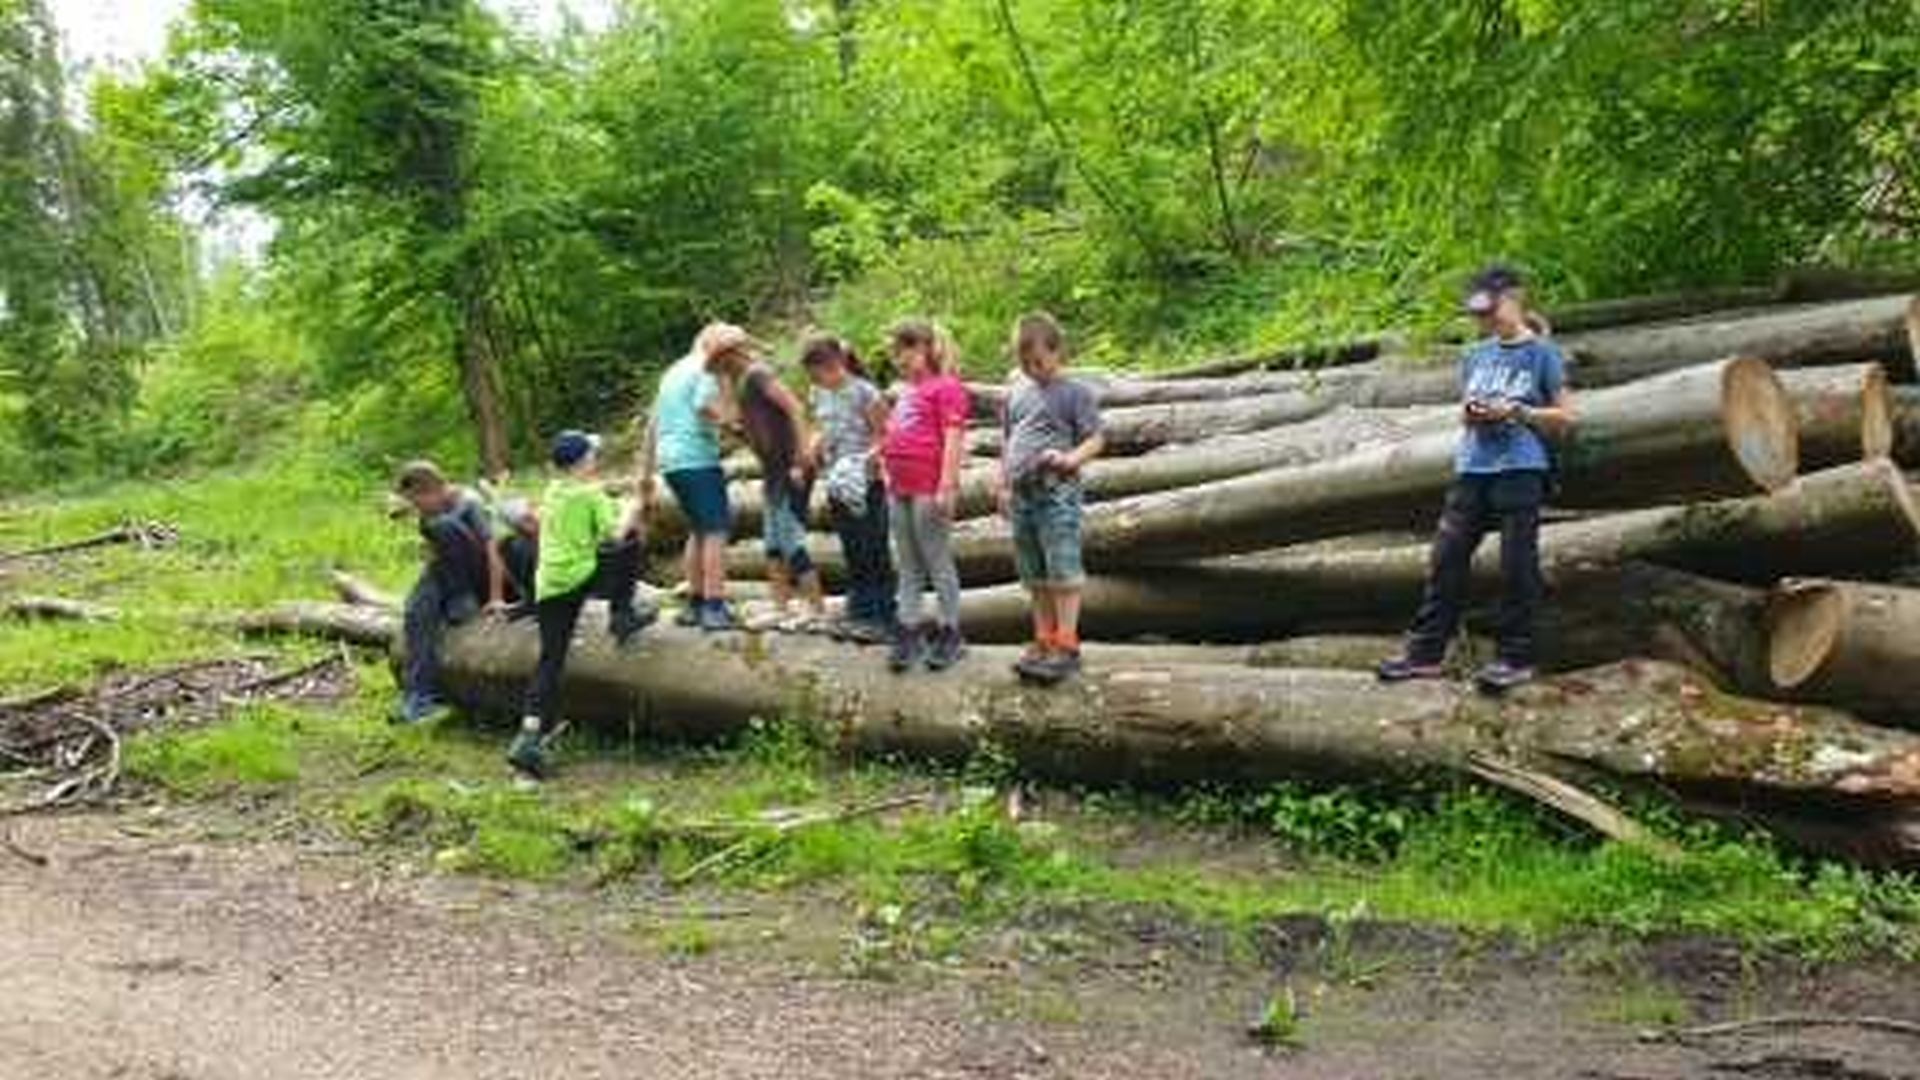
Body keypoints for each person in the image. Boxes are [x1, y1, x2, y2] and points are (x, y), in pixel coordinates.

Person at [1377, 265, 1575, 694]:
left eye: (1490, 311)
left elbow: (1566, 417)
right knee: (1446, 558)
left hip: (1520, 469)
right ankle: (1425, 653)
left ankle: (1517, 657)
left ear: (1514, 300)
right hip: (1472, 467)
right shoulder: (1475, 355)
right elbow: (1465, 408)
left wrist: (1518, 411)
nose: (1484, 321)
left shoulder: (1543, 354)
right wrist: (1473, 414)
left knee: (1516, 564)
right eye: (1477, 315)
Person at [509, 430, 652, 779]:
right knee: (629, 544)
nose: (595, 459)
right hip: (581, 577)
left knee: (550, 660)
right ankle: (621, 615)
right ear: (583, 461)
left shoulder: (553, 491)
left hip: (550, 584)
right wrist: (634, 507)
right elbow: (613, 534)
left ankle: (527, 738)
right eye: (592, 454)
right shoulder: (589, 493)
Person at [997, 313, 1105, 684]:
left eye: (1039, 362)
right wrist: (1003, 485)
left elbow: (1096, 439)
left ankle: (1067, 643)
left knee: (1062, 567)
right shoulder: (1017, 393)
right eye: (1025, 363)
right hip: (1022, 494)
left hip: (1056, 491)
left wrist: (1070, 459)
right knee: (1034, 572)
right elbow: (1008, 443)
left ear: (1057, 351)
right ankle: (1043, 638)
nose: (1032, 369)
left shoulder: (1075, 393)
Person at [639, 323, 747, 632]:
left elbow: (653, 422)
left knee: (699, 529)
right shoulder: (707, 368)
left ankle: (695, 602)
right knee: (716, 530)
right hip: (696, 457)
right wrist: (735, 426)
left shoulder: (673, 372)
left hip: (671, 461)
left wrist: (646, 471)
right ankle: (714, 605)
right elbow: (704, 406)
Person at [710, 342, 825, 628]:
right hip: (773, 473)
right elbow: (756, 435)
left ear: (731, 355)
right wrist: (734, 429)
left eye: (719, 363)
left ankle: (816, 608)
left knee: (791, 540)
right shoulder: (742, 385)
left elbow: (794, 407)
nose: (718, 371)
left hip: (791, 468)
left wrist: (802, 456)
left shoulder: (758, 375)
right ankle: (781, 607)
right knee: (773, 544)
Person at [881, 319, 971, 672]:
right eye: (895, 353)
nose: (899, 359)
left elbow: (953, 437)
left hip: (928, 486)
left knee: (936, 557)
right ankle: (909, 629)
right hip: (899, 486)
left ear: (925, 349)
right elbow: (900, 432)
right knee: (907, 562)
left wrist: (947, 485)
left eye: (905, 351)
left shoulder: (947, 387)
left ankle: (950, 631)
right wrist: (880, 458)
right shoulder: (907, 392)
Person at [391, 460, 508, 725]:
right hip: (447, 573)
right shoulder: (428, 515)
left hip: (477, 577)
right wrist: (426, 591)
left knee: (443, 525)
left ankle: (461, 599)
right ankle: (419, 700)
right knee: (416, 611)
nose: (417, 509)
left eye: (418, 502)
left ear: (432, 490)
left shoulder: (470, 502)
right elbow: (437, 556)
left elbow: (494, 550)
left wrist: (496, 597)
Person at [801, 335, 895, 643]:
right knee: (852, 548)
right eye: (812, 376)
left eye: (819, 373)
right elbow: (820, 428)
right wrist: (813, 448)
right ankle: (858, 611)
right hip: (836, 483)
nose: (816, 380)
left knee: (872, 548)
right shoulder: (818, 392)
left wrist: (865, 460)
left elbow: (885, 435)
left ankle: (882, 615)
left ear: (836, 363)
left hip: (866, 483)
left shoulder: (864, 392)